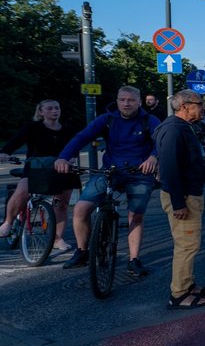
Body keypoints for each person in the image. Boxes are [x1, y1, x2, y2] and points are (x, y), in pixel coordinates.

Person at [54, 86, 160, 275]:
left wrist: (153, 157)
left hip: (139, 172)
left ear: (139, 102)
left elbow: (161, 141)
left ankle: (134, 259)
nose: (126, 103)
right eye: (122, 99)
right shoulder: (107, 119)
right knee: (80, 209)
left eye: (131, 100)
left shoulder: (149, 121)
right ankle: (82, 251)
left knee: (135, 215)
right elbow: (82, 137)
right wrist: (64, 157)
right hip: (110, 170)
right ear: (117, 101)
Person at [154, 90, 205, 309]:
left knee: (190, 244)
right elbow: (169, 168)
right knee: (186, 246)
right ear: (185, 106)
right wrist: (178, 203)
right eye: (200, 103)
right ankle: (178, 294)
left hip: (189, 194)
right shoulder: (173, 130)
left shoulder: (181, 127)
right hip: (183, 198)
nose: (203, 107)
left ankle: (187, 284)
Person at [0, 99, 78, 250]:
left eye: (57, 108)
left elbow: (75, 145)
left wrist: (73, 156)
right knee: (22, 191)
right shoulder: (33, 127)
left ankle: (57, 239)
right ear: (41, 112)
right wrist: (5, 152)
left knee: (61, 204)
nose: (54, 111)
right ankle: (8, 223)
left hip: (62, 168)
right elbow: (16, 141)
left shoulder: (68, 129)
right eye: (49, 108)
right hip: (36, 167)